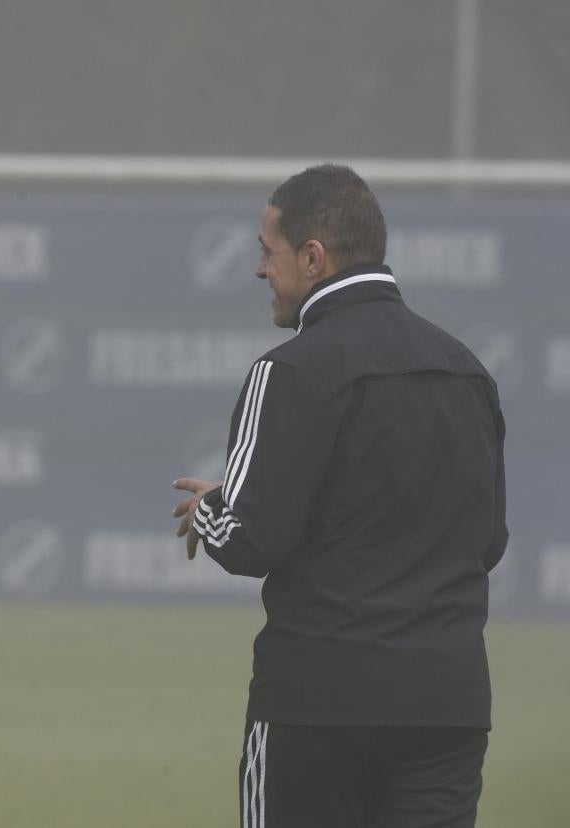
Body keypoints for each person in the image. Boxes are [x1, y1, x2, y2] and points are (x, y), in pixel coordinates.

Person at [171, 164, 506, 828]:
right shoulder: (467, 370)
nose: (259, 270)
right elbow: (487, 544)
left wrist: (213, 505)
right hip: (448, 705)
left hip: (318, 708)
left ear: (314, 257)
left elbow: (249, 540)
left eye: (268, 252)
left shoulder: (289, 369)